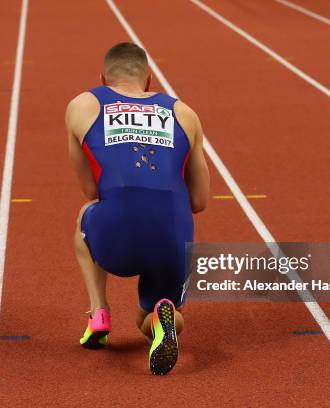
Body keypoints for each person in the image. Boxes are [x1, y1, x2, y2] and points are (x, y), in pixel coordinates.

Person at [65, 42, 209, 375]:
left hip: (116, 234)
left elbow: (91, 189)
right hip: (173, 235)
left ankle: (99, 313)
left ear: (103, 78)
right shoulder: (185, 114)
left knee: (85, 214)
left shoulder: (83, 105)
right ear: (149, 81)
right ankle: (160, 315)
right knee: (150, 314)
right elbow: (199, 201)